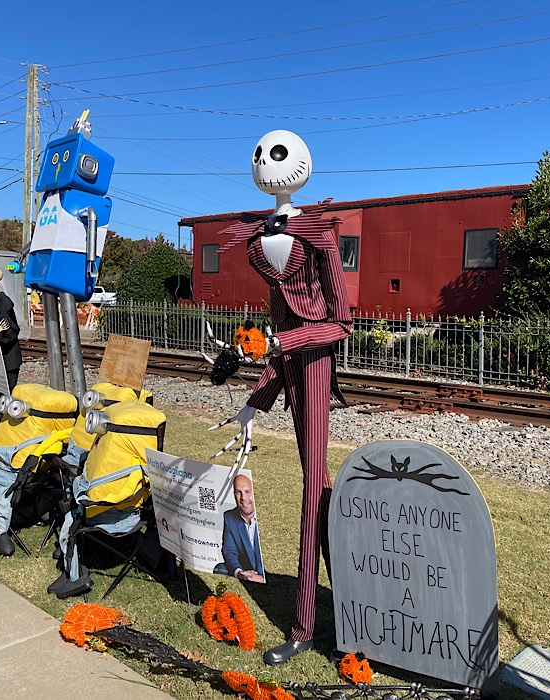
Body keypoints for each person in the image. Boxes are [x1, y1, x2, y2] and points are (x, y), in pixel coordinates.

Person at [212, 130, 352, 666]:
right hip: (290, 367)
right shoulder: (260, 237)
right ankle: (349, 604)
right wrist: (255, 402)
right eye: (261, 156)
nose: (266, 164)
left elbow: (340, 324)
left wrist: (281, 344)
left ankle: (303, 626)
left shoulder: (319, 234)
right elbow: (280, 332)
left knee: (313, 491)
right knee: (320, 489)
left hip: (315, 366)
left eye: (275, 155)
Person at [0, 265, 21, 427]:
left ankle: (6, 424)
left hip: (7, 359)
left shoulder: (4, 302)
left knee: (5, 393)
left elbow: (10, 331)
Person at [220, 474, 265, 583]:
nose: (243, 498)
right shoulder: (229, 517)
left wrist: (262, 578)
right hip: (246, 569)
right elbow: (229, 551)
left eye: (247, 492)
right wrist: (239, 572)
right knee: (220, 567)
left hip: (266, 573)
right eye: (238, 492)